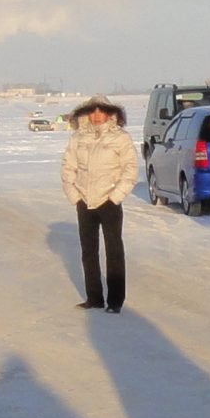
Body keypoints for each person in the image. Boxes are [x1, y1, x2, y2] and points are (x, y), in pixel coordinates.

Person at [60, 96, 137, 313]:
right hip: (85, 201)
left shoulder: (120, 138)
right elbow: (68, 168)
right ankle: (94, 297)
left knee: (114, 251)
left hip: (109, 201)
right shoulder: (78, 138)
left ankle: (115, 301)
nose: (96, 116)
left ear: (110, 114)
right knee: (88, 251)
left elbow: (130, 169)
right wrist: (75, 196)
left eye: (101, 111)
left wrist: (116, 196)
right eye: (92, 112)